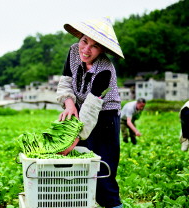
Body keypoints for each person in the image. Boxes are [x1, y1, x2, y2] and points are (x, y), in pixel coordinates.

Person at [56, 17, 124, 208]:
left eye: (94, 46)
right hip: (78, 109)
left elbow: (91, 110)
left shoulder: (105, 70)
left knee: (103, 171)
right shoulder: (73, 51)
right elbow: (65, 82)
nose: (86, 49)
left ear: (102, 49)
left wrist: (71, 140)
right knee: (77, 166)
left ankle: (113, 205)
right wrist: (69, 104)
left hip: (104, 117)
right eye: (85, 41)